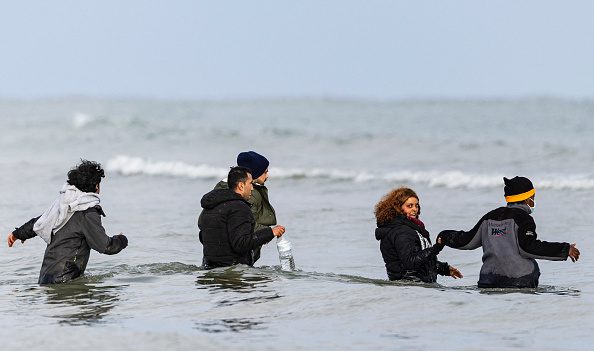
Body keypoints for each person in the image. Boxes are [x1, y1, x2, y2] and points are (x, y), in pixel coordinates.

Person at [437, 176, 580, 288]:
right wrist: (565, 249)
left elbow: (466, 241)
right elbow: (528, 247)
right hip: (519, 281)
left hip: (488, 280)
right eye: (533, 197)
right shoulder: (524, 219)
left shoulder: (489, 217)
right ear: (527, 199)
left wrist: (444, 236)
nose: (533, 201)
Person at [7, 160, 128, 284]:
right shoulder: (87, 212)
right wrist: (121, 240)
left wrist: (17, 234)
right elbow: (105, 246)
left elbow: (38, 223)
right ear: (96, 186)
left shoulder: (62, 204)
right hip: (65, 280)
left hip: (45, 278)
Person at [198, 166, 285, 268]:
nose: (252, 188)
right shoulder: (239, 207)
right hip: (232, 273)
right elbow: (241, 244)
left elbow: (202, 236)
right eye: (250, 184)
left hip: (208, 269)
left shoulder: (210, 206)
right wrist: (270, 232)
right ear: (241, 186)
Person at [374, 187, 462, 283]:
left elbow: (420, 262)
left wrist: (444, 269)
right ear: (398, 207)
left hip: (415, 287)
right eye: (410, 206)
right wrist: (436, 248)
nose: (415, 209)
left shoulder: (411, 229)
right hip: (409, 288)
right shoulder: (401, 232)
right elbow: (409, 262)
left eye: (416, 205)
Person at [214, 151, 283, 264]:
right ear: (254, 173)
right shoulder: (250, 194)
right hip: (238, 256)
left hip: (217, 252)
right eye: (265, 172)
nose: (267, 176)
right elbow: (246, 225)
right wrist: (270, 232)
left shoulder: (222, 188)